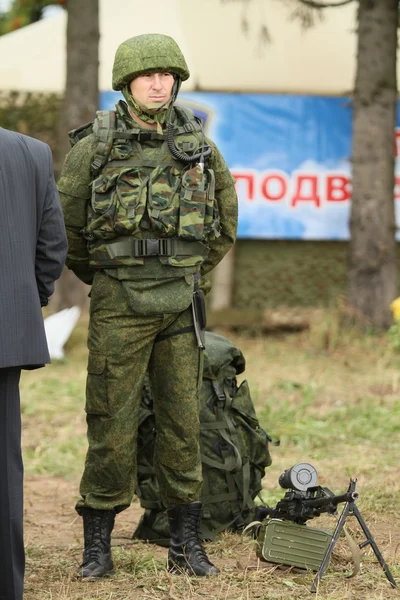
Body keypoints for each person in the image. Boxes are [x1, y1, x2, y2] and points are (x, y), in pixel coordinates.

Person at [58, 33, 238, 579]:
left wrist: (188, 273)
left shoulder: (198, 145)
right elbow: (66, 226)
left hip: (180, 304)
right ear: (127, 82)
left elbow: (225, 220)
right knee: (111, 424)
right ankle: (98, 545)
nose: (159, 84)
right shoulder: (97, 145)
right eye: (147, 75)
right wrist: (110, 275)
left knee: (184, 421)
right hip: (119, 304)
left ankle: (186, 544)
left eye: (167, 75)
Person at [0, 127, 67, 600]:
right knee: (4, 469)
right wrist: (24, 305)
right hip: (6, 331)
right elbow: (52, 248)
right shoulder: (32, 152)